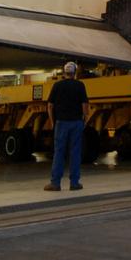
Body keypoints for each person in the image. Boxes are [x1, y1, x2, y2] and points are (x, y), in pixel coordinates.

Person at [44, 62, 88, 192]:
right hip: (76, 123)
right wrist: (84, 120)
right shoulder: (80, 85)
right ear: (75, 73)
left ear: (64, 73)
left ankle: (55, 183)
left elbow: (50, 106)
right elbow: (85, 106)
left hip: (61, 122)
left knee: (59, 152)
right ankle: (74, 183)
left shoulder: (57, 86)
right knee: (75, 153)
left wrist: (52, 121)